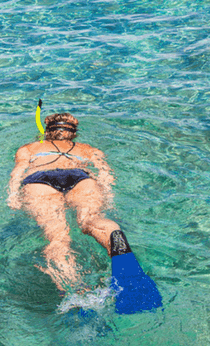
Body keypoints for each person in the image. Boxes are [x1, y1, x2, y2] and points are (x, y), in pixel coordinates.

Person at [7, 112, 153, 302]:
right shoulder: (88, 149)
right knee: (90, 220)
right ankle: (113, 234)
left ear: (48, 131)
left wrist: (13, 196)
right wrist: (107, 196)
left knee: (58, 238)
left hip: (39, 179)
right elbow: (106, 176)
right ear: (74, 133)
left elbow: (16, 174)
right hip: (80, 177)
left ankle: (77, 293)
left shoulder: (28, 148)